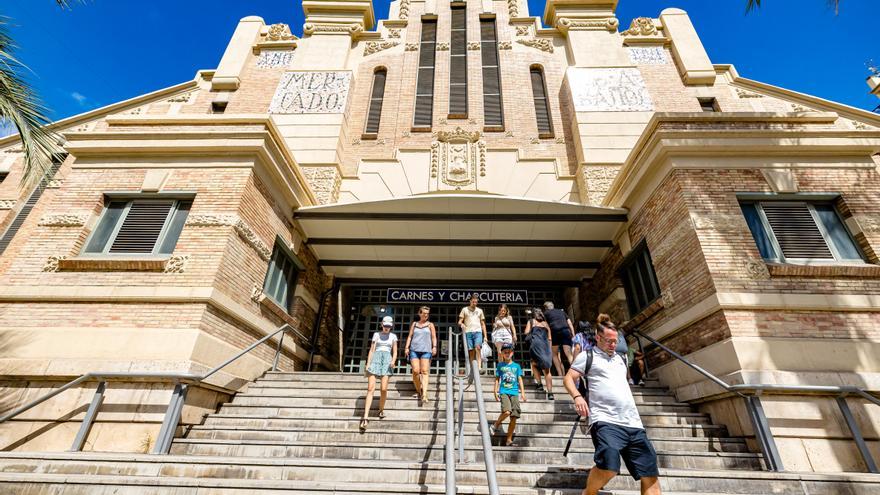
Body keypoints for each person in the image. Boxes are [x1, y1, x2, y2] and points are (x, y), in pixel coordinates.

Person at [563, 323, 662, 495]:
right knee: (609, 467)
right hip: (605, 420)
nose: (613, 345)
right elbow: (569, 378)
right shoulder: (588, 356)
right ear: (598, 337)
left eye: (616, 341)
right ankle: (588, 493)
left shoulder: (621, 359)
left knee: (650, 474)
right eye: (609, 341)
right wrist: (577, 397)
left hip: (633, 423)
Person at [361, 315, 398, 432]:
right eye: (385, 326)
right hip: (376, 358)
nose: (387, 328)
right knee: (370, 388)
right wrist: (368, 363)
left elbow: (395, 351)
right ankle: (365, 417)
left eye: (389, 326)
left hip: (387, 360)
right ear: (382, 324)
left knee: (383, 389)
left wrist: (393, 361)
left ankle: (381, 409)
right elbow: (372, 350)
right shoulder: (376, 334)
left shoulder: (393, 336)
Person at [491, 342, 527, 446]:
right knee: (507, 411)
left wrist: (523, 393)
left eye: (509, 352)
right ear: (501, 353)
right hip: (504, 391)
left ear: (512, 353)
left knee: (514, 416)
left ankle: (509, 440)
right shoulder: (500, 365)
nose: (507, 354)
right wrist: (495, 391)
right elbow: (497, 379)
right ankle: (496, 425)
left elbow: (520, 379)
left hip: (514, 392)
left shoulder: (516, 366)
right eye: (505, 352)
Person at [404, 306, 437, 404]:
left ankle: (424, 394)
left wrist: (434, 347)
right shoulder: (414, 324)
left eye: (427, 313)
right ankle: (419, 390)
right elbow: (410, 337)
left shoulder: (430, 325)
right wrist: (406, 347)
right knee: (415, 371)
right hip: (414, 350)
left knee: (424, 371)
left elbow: (434, 337)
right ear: (419, 313)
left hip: (426, 350)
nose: (426, 315)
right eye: (424, 313)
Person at [524, 308, 554, 400]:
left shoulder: (531, 321)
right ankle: (550, 393)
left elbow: (526, 332)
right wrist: (550, 350)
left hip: (535, 345)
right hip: (545, 346)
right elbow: (549, 338)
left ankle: (540, 384)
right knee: (547, 370)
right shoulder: (546, 324)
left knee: (533, 364)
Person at [544, 301, 575, 377]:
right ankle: (575, 373)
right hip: (565, 331)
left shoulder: (546, 313)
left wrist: (548, 337)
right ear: (553, 306)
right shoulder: (561, 312)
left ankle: (560, 375)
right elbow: (569, 323)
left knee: (554, 354)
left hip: (555, 332)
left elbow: (546, 325)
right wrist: (573, 334)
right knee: (568, 353)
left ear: (546, 308)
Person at [458, 294, 487, 373]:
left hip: (478, 331)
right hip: (468, 332)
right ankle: (472, 367)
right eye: (473, 302)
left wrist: (485, 336)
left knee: (478, 348)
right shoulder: (464, 309)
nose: (475, 303)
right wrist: (462, 324)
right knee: (471, 351)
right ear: (470, 301)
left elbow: (483, 324)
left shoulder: (480, 310)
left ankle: (479, 367)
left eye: (476, 302)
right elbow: (459, 321)